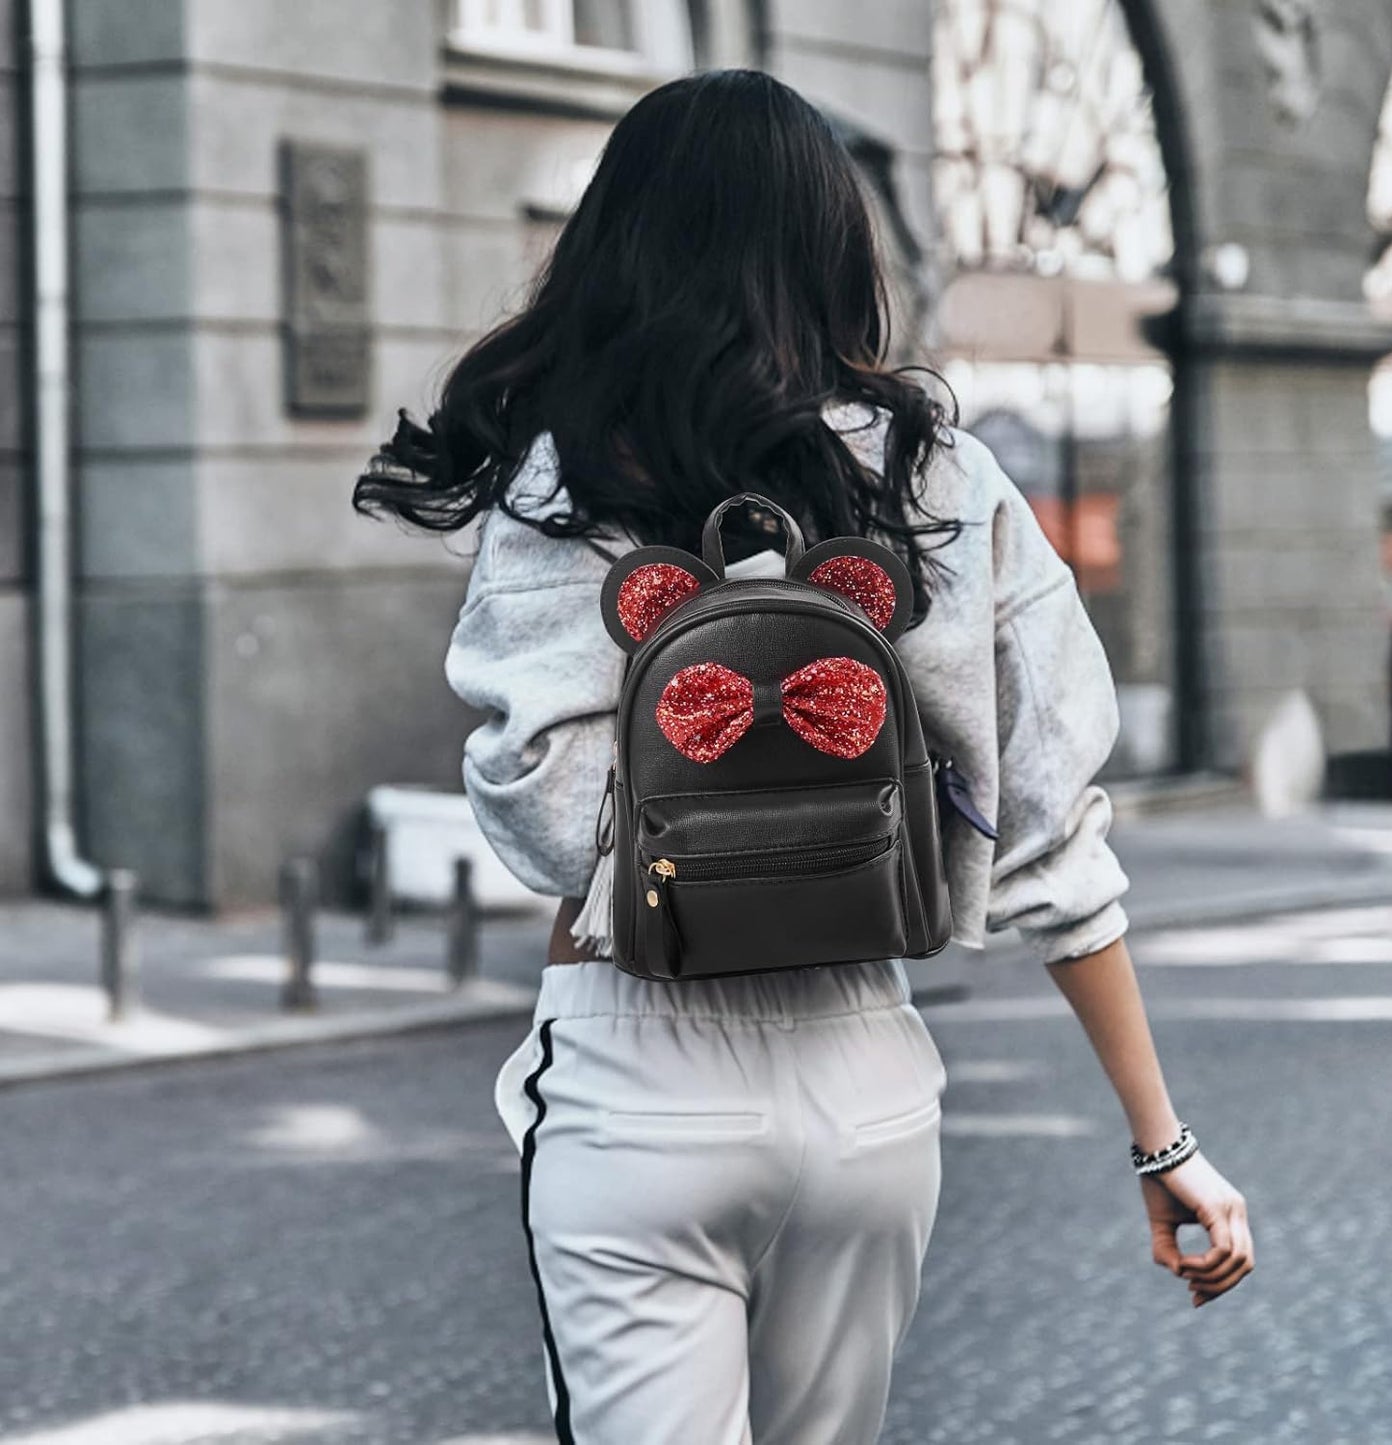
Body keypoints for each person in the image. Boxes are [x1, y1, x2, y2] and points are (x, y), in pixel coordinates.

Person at [354, 67, 1253, 1445]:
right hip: (866, 1084)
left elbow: (538, 816)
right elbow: (1051, 838)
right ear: (835, 249)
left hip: (636, 1068)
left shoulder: (566, 474)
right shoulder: (940, 472)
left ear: (618, 244)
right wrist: (1162, 1140)